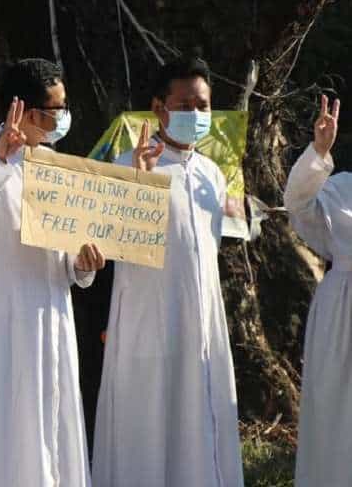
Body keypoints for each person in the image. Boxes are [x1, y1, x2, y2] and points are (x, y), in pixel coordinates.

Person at [0, 58, 105, 487]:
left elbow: (69, 255)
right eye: (57, 109)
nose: (63, 117)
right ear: (26, 111)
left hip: (52, 315)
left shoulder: (59, 166)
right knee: (1, 437)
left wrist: (82, 265)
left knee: (57, 431)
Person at [92, 57, 244, 487]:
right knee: (148, 433)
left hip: (201, 329)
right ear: (159, 107)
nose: (195, 115)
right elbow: (102, 245)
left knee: (200, 428)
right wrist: (137, 183)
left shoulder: (213, 175)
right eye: (184, 104)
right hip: (148, 327)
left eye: (203, 106)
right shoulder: (125, 165)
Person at [284, 95, 349, 487]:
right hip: (342, 318)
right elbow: (297, 204)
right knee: (337, 419)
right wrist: (318, 152)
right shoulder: (341, 189)